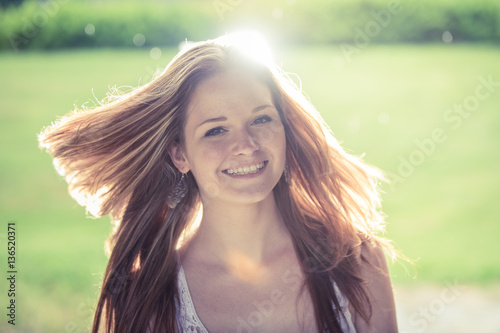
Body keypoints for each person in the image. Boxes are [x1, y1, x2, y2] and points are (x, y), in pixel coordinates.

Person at [39, 33, 398, 333]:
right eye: (216, 130)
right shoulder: (147, 296)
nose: (245, 145)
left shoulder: (357, 263)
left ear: (285, 129)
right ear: (180, 154)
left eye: (260, 120)